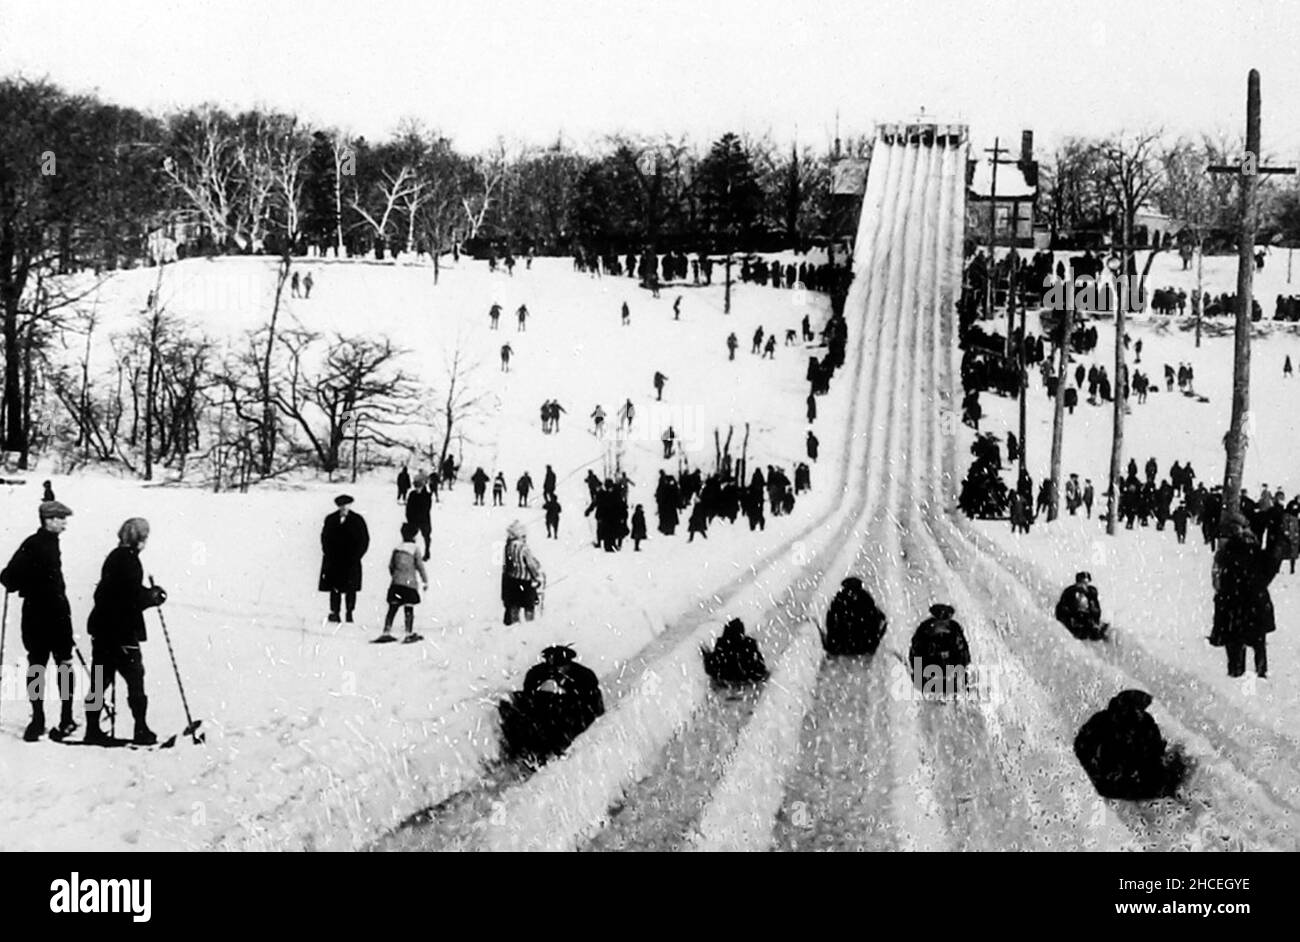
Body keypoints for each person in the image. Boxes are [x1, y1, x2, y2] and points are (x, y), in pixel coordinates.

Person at [81, 517, 168, 745]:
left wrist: (146, 594)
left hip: (102, 629)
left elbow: (110, 591)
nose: (146, 541)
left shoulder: (114, 557)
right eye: (145, 537)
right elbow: (128, 596)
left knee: (100, 681)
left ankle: (92, 729)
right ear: (139, 538)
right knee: (135, 679)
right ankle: (141, 728)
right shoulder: (129, 561)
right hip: (122, 631)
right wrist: (151, 596)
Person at [1, 501, 78, 742]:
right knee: (62, 664)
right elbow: (9, 578)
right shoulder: (36, 544)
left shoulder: (38, 543)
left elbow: (8, 578)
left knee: (38, 666)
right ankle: (61, 719)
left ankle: (39, 720)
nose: (65, 523)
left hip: (36, 614)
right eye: (61, 518)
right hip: (52, 614)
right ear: (49, 520)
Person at [1073, 690, 1188, 800]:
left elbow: (1080, 746)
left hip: (1120, 781)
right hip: (1125, 783)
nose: (1140, 711)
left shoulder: (1143, 723)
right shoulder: (1106, 724)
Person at [497, 644, 603, 763]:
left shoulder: (582, 676)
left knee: (554, 714)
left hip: (568, 722)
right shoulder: (537, 673)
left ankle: (543, 751)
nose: (557, 670)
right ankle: (518, 748)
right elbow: (528, 694)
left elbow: (591, 705)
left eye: (561, 665)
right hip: (541, 717)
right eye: (552, 665)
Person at [1211, 512, 1277, 679]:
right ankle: (1261, 671)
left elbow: (1218, 578)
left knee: (1235, 639)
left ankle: (1236, 671)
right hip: (1255, 599)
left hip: (1233, 600)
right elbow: (1270, 566)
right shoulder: (1254, 548)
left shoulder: (1226, 553)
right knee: (1258, 639)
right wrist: (1259, 584)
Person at [319, 495, 369, 624]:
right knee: (334, 588)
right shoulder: (330, 519)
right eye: (341, 505)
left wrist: (357, 555)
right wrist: (328, 553)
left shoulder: (357, 520)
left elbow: (364, 540)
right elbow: (325, 538)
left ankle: (349, 612)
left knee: (350, 588)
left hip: (351, 560)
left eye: (346, 505)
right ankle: (335, 612)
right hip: (334, 560)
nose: (344, 508)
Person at [375, 522, 428, 644]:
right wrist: (425, 581)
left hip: (396, 583)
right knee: (408, 608)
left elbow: (391, 566)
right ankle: (408, 632)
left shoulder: (397, 549)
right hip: (410, 584)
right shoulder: (415, 549)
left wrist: (395, 577)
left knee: (393, 607)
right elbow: (420, 566)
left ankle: (386, 630)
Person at [908, 603, 971, 698]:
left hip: (952, 676)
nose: (943, 624)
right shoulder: (923, 630)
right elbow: (915, 657)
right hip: (928, 678)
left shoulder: (955, 630)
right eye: (939, 621)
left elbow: (965, 656)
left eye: (945, 621)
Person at [822, 577, 887, 656]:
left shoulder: (839, 598)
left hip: (840, 646)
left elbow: (830, 620)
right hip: (864, 645)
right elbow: (876, 619)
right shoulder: (865, 598)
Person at [701, 618, 769, 686]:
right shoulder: (748, 645)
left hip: (724, 682)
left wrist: (706, 656)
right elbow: (760, 666)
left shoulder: (722, 645)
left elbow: (712, 666)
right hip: (746, 681)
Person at [501, 520, 544, 625]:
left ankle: (515, 624)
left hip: (513, 580)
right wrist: (537, 576)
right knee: (529, 605)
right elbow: (531, 565)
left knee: (515, 605)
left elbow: (506, 564)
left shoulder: (508, 546)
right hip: (525, 581)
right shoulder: (524, 548)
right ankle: (530, 624)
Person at [1055, 571, 1109, 641]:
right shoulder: (1070, 592)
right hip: (1074, 621)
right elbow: (1061, 611)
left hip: (1087, 621)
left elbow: (1096, 609)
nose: (1083, 585)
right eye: (1082, 582)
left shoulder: (1091, 592)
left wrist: (1095, 621)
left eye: (1086, 583)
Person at [405, 476, 433, 560]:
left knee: (426, 536)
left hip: (424, 520)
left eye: (418, 485)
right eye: (416, 485)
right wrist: (409, 517)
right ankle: (411, 553)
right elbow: (408, 508)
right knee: (410, 537)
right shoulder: (412, 494)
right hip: (413, 520)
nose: (417, 488)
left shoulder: (427, 496)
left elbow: (427, 508)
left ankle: (427, 552)